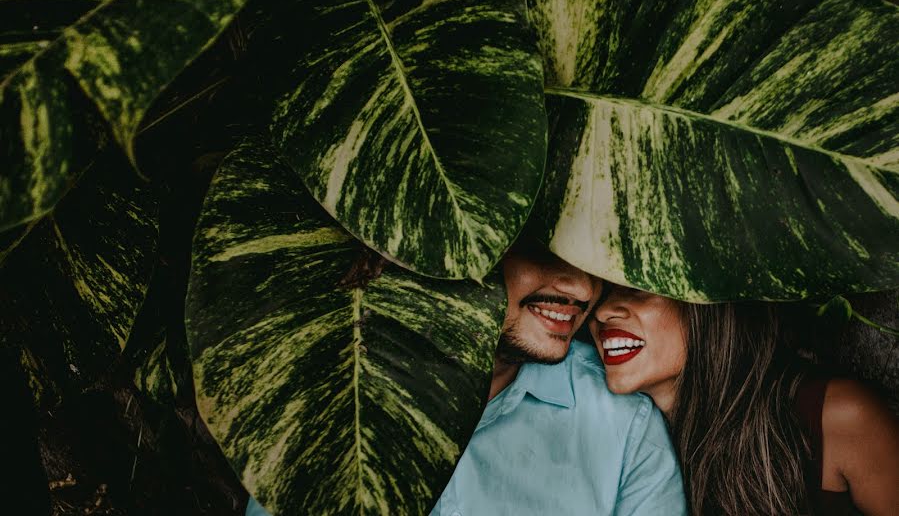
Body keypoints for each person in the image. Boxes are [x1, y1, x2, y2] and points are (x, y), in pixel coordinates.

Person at [247, 241, 687, 516]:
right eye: (543, 248)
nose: (583, 289)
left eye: (591, 261)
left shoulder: (623, 425)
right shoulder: (334, 400)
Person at [590, 283, 899, 516]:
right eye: (602, 290)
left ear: (706, 299)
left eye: (637, 289)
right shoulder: (608, 444)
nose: (603, 312)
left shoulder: (836, 415)